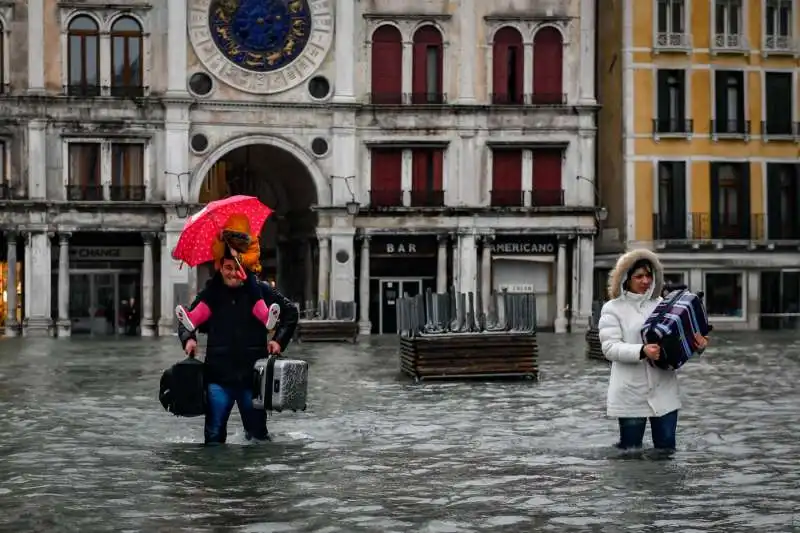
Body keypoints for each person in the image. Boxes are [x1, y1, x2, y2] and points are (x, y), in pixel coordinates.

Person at [177, 254, 299, 444]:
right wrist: (189, 340)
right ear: (220, 268)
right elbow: (187, 321)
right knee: (214, 437)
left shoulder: (261, 290)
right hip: (218, 377)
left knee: (257, 437)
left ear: (246, 268)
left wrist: (278, 341)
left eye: (237, 268)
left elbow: (291, 311)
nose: (233, 273)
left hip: (253, 378)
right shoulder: (210, 293)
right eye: (228, 268)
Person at [598, 249, 709, 451]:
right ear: (625, 278)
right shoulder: (612, 308)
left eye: (649, 275)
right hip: (630, 392)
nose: (645, 281)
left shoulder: (664, 305)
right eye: (639, 276)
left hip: (664, 389)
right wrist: (642, 351)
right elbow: (609, 347)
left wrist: (697, 346)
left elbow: (678, 342)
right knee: (630, 453)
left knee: (666, 451)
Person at [175, 216, 279, 333]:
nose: (236, 239)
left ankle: (265, 316)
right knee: (211, 291)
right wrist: (220, 240)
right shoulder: (223, 239)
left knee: (253, 289)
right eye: (233, 235)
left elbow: (254, 255)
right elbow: (217, 253)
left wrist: (240, 257)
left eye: (239, 236)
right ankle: (194, 318)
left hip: (246, 270)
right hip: (223, 270)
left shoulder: (252, 239)